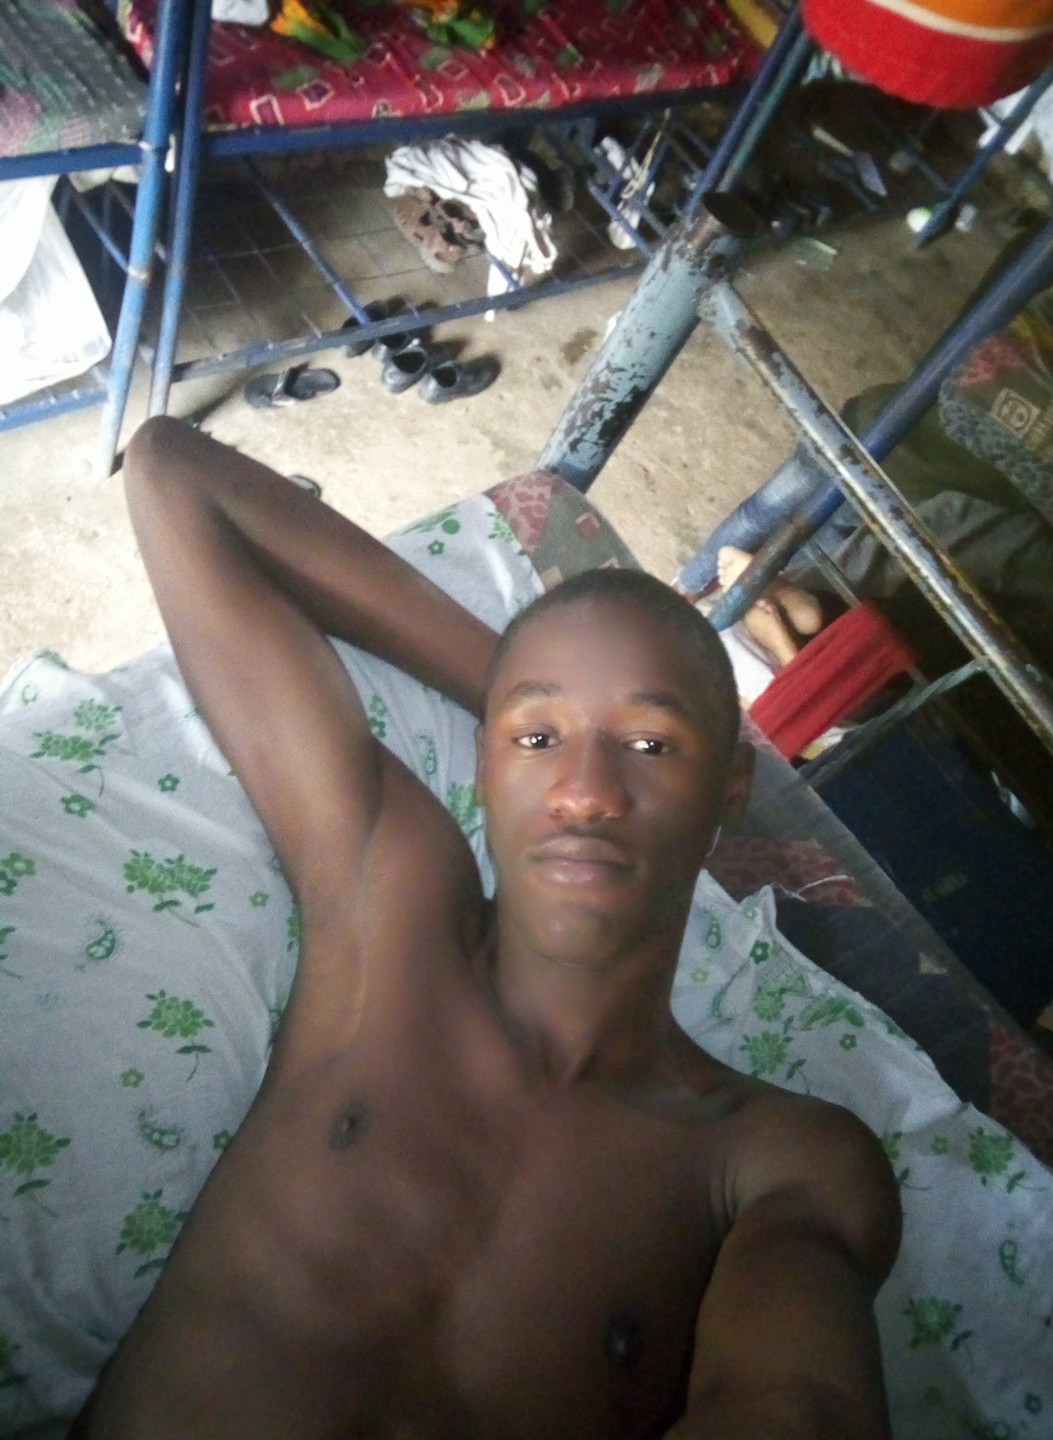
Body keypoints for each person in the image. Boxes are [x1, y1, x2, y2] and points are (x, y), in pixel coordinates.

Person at [71, 416, 901, 1440]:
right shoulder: (391, 915)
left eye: (650, 745)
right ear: (484, 759)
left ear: (732, 786)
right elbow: (174, 475)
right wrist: (517, 690)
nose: (584, 793)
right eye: (537, 741)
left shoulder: (774, 1163)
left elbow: (801, 1410)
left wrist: (543, 712)